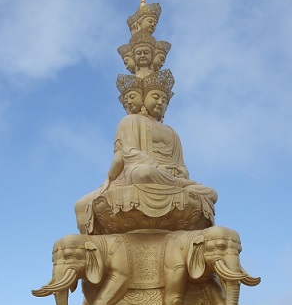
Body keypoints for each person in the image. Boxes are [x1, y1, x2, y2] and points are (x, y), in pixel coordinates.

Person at [75, 69, 217, 234]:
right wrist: (109, 181)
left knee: (211, 194)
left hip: (168, 177)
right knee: (143, 173)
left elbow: (181, 164)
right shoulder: (130, 121)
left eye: (164, 100)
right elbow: (128, 153)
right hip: (140, 173)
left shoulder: (173, 133)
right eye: (155, 97)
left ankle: (180, 185)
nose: (160, 103)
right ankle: (90, 246)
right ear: (143, 99)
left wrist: (180, 173)